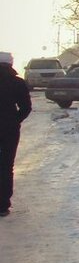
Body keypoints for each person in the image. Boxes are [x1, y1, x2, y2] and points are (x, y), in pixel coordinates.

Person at [0, 52, 32, 217]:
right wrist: (15, 120)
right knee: (6, 165)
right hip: (9, 130)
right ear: (11, 64)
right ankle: (3, 205)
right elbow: (26, 107)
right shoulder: (18, 82)